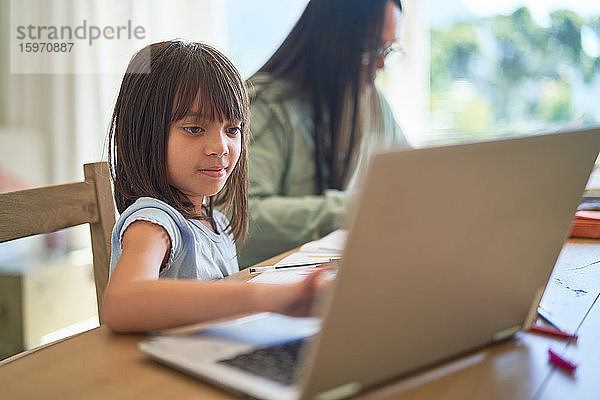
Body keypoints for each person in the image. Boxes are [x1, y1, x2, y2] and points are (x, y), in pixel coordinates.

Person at [103, 41, 328, 333]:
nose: (220, 147)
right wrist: (262, 297)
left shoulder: (216, 221)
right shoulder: (154, 223)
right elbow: (122, 303)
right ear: (144, 134)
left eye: (232, 129)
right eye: (194, 129)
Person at [240, 0, 411, 266]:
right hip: (266, 283)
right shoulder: (265, 105)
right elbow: (243, 217)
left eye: (388, 50)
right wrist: (355, 209)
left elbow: (412, 177)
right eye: (371, 48)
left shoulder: (372, 101)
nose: (381, 65)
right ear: (333, 42)